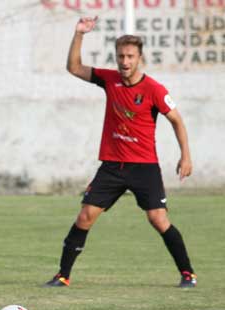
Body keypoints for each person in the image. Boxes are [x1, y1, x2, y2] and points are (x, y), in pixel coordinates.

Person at [45, 17, 197, 288]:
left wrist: (185, 156)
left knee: (158, 219)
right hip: (112, 166)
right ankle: (63, 276)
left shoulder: (154, 89)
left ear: (139, 58)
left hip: (144, 166)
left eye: (130, 56)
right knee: (85, 216)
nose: (125, 62)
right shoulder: (109, 80)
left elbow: (177, 120)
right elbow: (74, 67)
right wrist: (79, 34)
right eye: (120, 56)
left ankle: (188, 274)